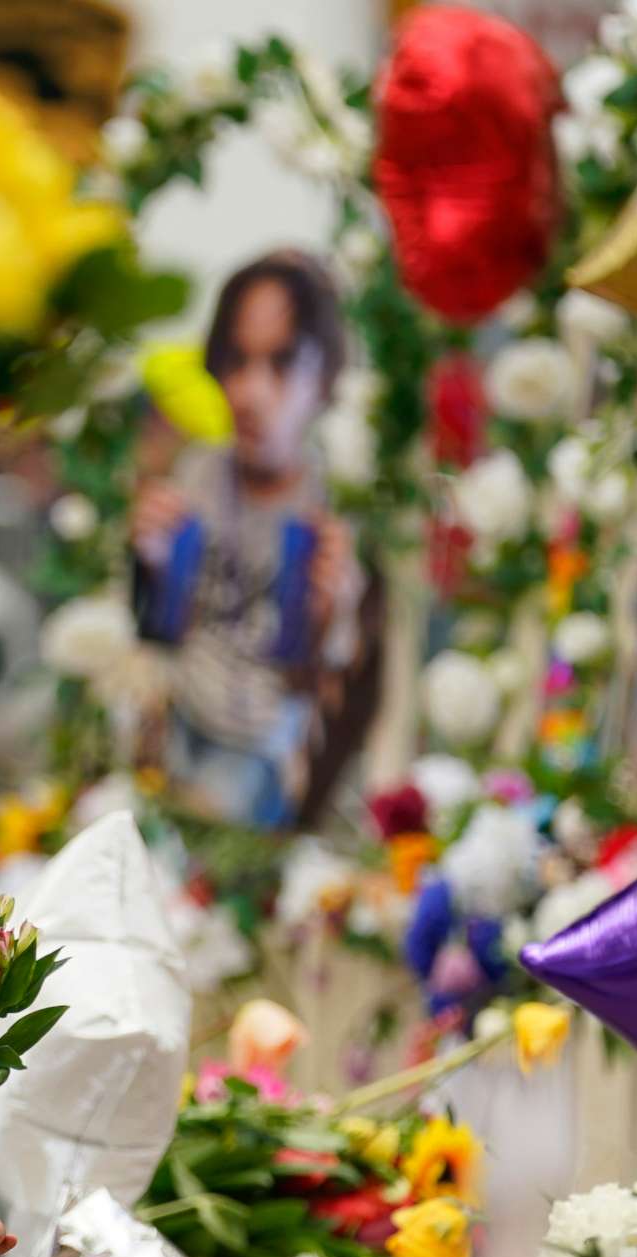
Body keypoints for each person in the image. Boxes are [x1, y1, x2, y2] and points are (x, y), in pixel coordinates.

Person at [131, 250, 379, 830]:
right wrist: (150, 566)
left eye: (282, 363)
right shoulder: (197, 472)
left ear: (325, 379)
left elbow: (329, 700)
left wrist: (328, 617)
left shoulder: (332, 508)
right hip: (177, 729)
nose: (250, 391)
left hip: (258, 758)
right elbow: (160, 633)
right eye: (236, 361)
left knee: (209, 815)